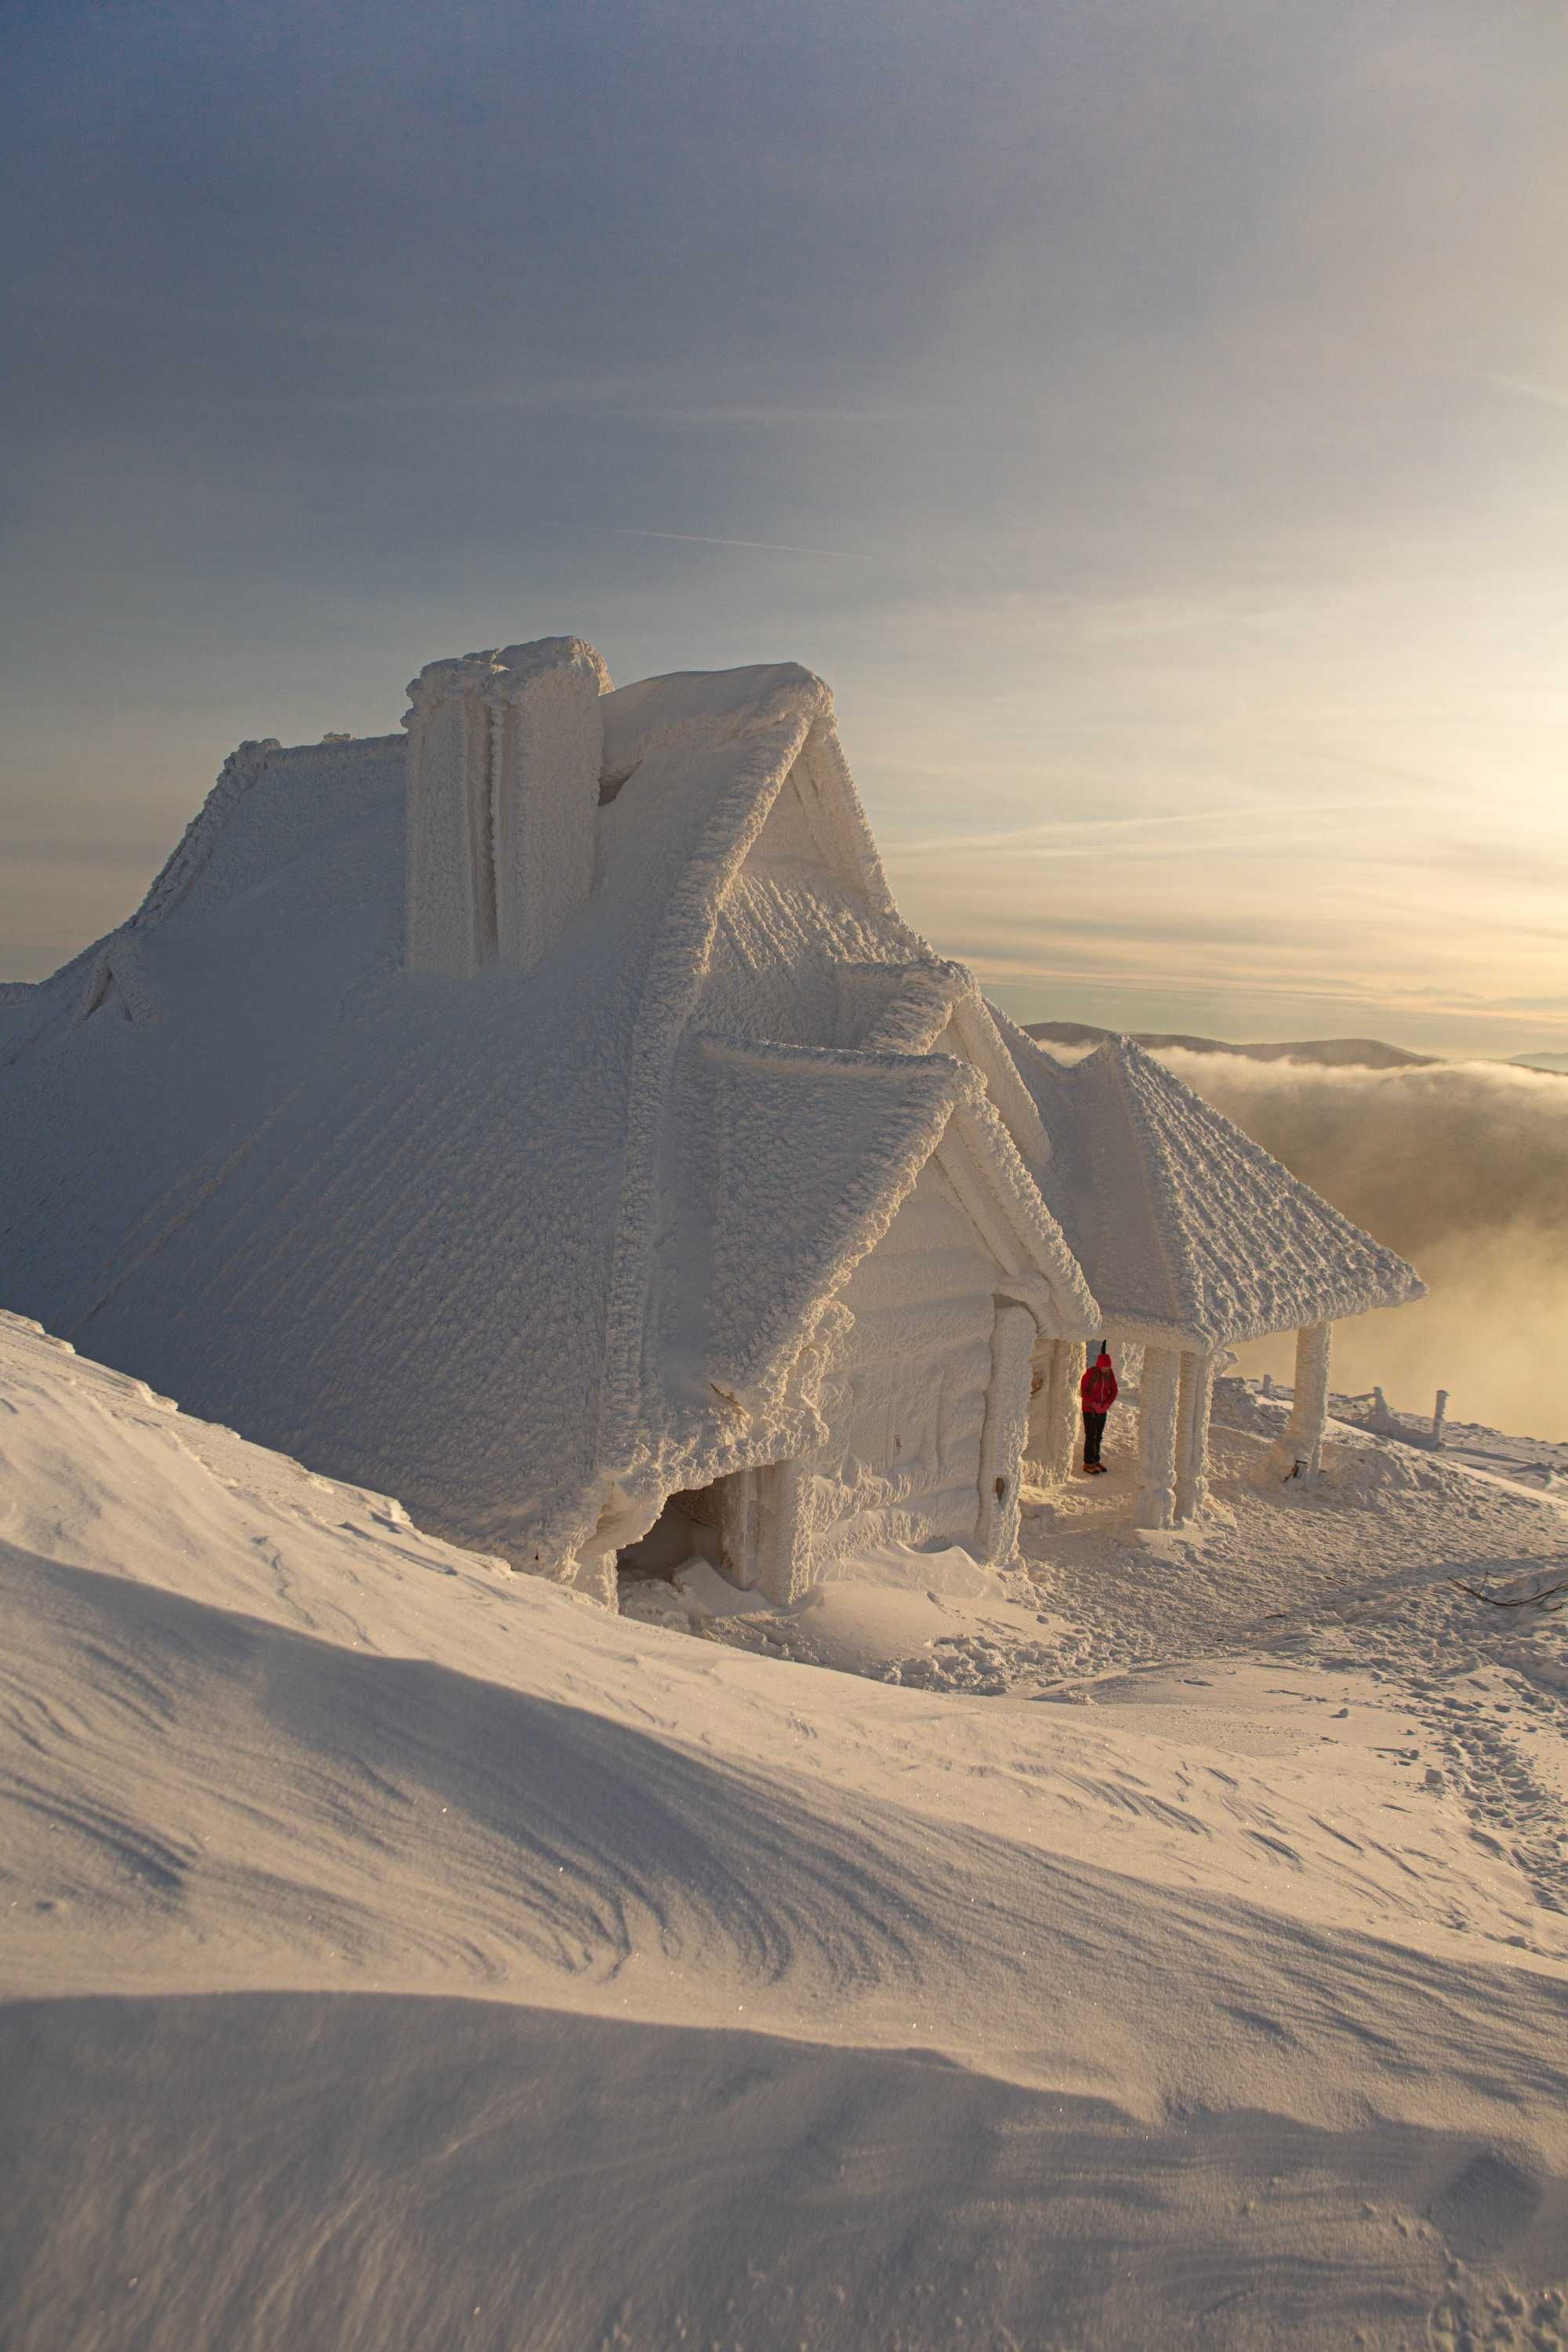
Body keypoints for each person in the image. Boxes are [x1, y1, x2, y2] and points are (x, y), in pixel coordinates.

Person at [1080, 1348, 1118, 1473]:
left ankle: (1096, 1459)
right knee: (1091, 1435)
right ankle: (1088, 1463)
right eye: (1104, 1368)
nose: (1106, 1370)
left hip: (1102, 1410)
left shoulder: (1110, 1374)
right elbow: (1084, 1391)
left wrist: (1106, 1404)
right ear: (1099, 1365)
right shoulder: (1091, 1373)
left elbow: (1114, 1391)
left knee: (1099, 1436)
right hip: (1089, 1409)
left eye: (1108, 1368)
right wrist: (1094, 1404)